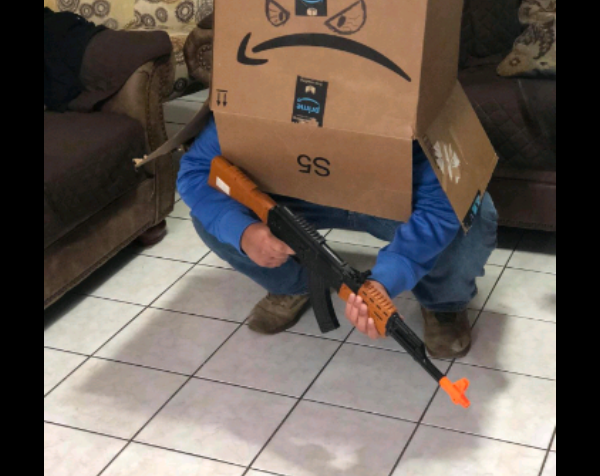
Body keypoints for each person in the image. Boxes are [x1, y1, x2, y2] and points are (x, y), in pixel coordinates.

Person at [177, 114, 498, 357]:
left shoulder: (412, 97)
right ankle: (292, 284)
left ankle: (443, 303)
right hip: (297, 198)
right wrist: (244, 232)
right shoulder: (261, 89)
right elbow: (196, 172)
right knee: (213, 217)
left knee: (473, 215)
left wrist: (387, 279)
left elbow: (443, 205)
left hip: (395, 201)